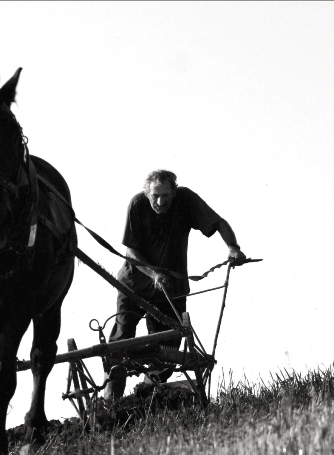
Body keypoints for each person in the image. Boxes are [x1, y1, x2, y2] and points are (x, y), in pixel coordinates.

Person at [101, 169, 247, 401]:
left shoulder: (186, 200)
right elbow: (131, 249)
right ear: (146, 194)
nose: (160, 202)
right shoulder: (137, 204)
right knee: (122, 341)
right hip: (134, 285)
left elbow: (218, 222)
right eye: (155, 196)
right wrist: (153, 273)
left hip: (171, 289)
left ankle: (145, 397)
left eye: (166, 196)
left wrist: (232, 247)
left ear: (174, 192)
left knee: (169, 350)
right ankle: (111, 401)